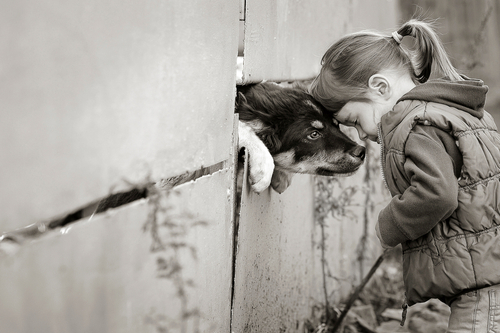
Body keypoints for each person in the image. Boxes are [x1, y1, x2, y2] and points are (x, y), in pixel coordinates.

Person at [309, 19, 500, 332]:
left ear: (381, 87)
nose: (361, 133)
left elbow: (437, 193)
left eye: (355, 120)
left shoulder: (417, 126)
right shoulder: (447, 112)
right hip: (486, 269)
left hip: (486, 283)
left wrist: (391, 223)